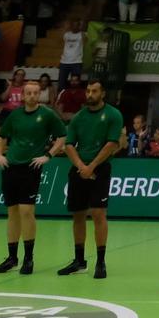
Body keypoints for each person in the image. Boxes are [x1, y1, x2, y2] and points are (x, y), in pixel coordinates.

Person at [0, 77, 66, 275]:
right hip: (11, 166)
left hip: (30, 168)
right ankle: (12, 257)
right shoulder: (15, 115)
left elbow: (62, 136)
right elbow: (1, 136)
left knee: (26, 211)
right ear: (23, 95)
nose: (32, 96)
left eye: (36, 93)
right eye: (29, 93)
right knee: (12, 212)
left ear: (39, 95)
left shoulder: (47, 115)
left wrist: (48, 155)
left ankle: (29, 258)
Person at [57, 78, 123, 279]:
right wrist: (81, 167)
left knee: (98, 213)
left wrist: (92, 166)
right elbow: (69, 144)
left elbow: (112, 143)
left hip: (100, 170)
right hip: (79, 170)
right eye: (88, 91)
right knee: (78, 215)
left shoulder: (113, 115)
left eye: (94, 91)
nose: (90, 95)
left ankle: (101, 262)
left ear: (102, 93)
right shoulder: (78, 117)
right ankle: (79, 261)